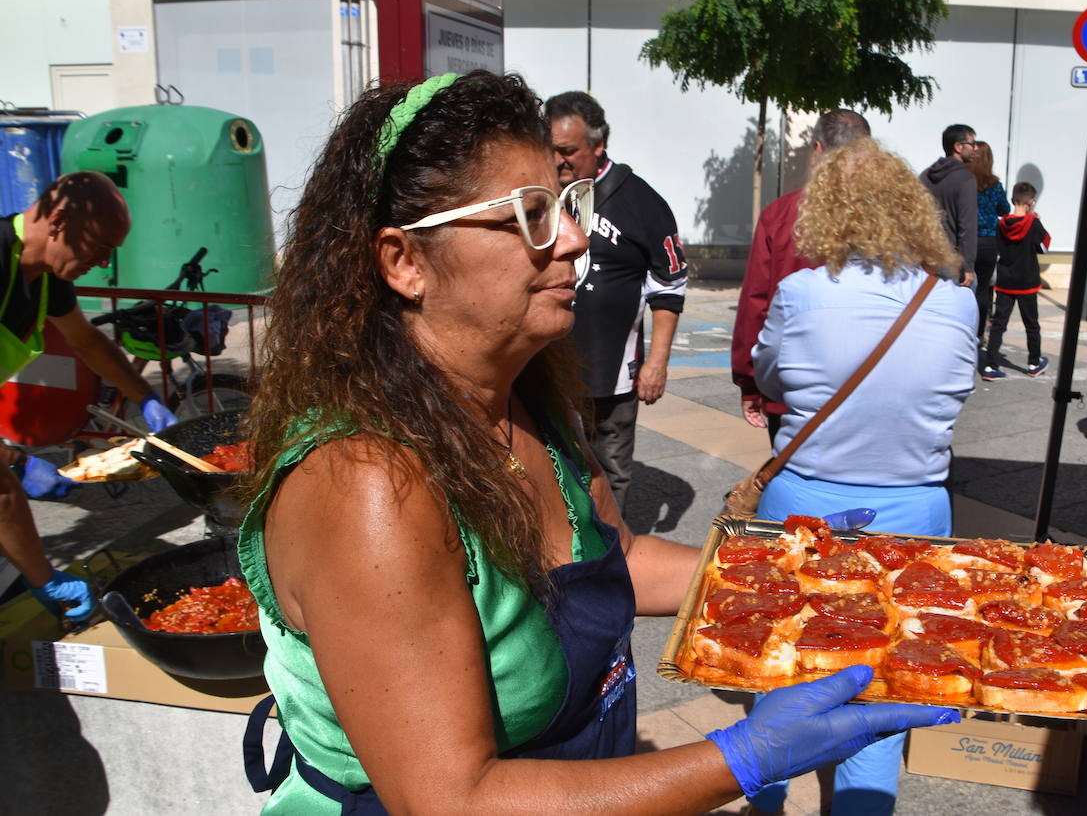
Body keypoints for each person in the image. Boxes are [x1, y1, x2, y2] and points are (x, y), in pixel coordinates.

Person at [236, 72, 956, 814]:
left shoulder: (526, 404)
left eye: (567, 206)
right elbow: (453, 801)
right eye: (532, 215)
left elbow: (618, 559)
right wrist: (742, 757)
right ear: (406, 262)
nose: (576, 241)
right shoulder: (367, 485)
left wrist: (787, 568)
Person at [750, 137, 977, 815]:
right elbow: (955, 394)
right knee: (886, 676)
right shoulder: (957, 301)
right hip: (912, 508)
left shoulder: (799, 292)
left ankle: (764, 799)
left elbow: (770, 376)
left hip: (806, 501)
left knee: (781, 658)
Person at [0, 172, 177, 623]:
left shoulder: (45, 277)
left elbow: (87, 342)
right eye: (97, 247)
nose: (101, 263)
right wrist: (16, 462)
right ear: (58, 219)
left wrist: (146, 398)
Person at [544, 91, 687, 513]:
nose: (557, 161)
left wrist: (656, 362)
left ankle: (615, 558)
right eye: (549, 150)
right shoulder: (540, 194)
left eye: (568, 151)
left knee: (611, 473)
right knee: (553, 470)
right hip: (546, 368)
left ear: (598, 144)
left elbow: (669, 287)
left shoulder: (640, 201)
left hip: (613, 376)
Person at [732, 109, 870, 443]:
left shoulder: (781, 215)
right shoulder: (892, 216)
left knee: (794, 474)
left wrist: (750, 381)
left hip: (795, 385)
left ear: (819, 149)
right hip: (870, 381)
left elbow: (757, 304)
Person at [981, 182, 1051, 380]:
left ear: (1013, 200)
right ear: (1031, 202)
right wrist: (1038, 222)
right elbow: (1044, 247)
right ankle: (1034, 363)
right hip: (1027, 281)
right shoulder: (1033, 223)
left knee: (998, 324)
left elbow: (998, 247)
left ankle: (990, 366)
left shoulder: (1001, 224)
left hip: (1005, 281)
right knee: (1032, 325)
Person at [919, 123, 978, 286]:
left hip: (928, 257)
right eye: (972, 144)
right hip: (953, 261)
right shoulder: (966, 179)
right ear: (958, 147)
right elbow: (967, 225)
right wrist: (968, 266)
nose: (976, 148)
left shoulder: (925, 176)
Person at [967, 141, 1012, 343]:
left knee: (964, 285)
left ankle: (964, 328)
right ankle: (979, 332)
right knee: (983, 288)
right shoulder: (994, 184)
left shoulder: (965, 180)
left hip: (967, 239)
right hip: (988, 241)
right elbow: (1004, 209)